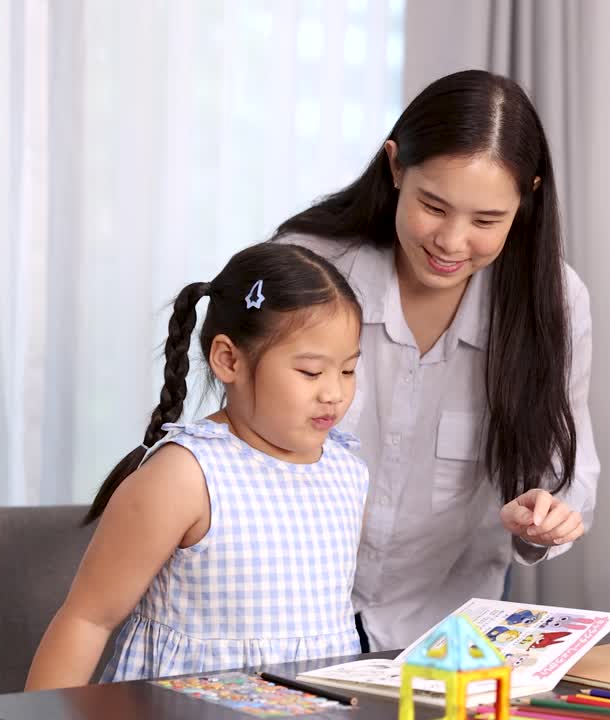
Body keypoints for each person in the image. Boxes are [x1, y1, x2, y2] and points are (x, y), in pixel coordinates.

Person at [274, 69, 599, 650]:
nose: (451, 242)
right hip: (285, 619)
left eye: (485, 221)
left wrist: (544, 518)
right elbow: (244, 451)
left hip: (443, 635)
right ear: (395, 167)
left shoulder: (554, 302)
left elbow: (564, 473)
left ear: (528, 199)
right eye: (433, 205)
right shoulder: (310, 266)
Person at [26, 243, 368, 688]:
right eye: (310, 372)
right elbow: (87, 620)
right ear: (229, 360)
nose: (334, 394)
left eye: (347, 371)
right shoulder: (185, 477)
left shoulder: (347, 472)